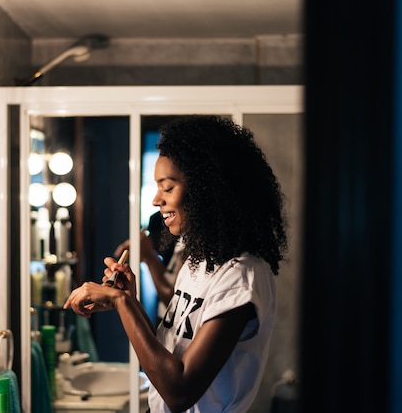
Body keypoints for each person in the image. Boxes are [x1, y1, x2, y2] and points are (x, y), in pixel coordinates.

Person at [64, 115, 288, 412]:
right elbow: (168, 350)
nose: (157, 200)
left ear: (206, 191)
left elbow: (180, 391)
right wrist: (130, 300)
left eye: (167, 188)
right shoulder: (198, 263)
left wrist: (120, 301)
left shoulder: (241, 278)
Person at [113, 211, 184, 324]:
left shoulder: (185, 250)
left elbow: (173, 300)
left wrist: (149, 257)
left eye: (151, 233)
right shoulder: (172, 252)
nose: (149, 238)